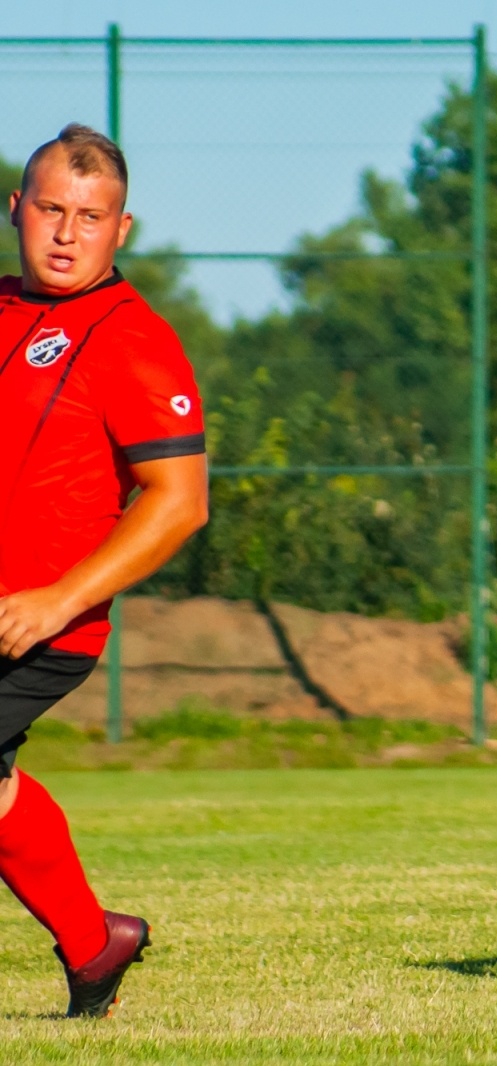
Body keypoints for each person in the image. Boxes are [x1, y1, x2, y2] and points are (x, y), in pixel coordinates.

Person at [0, 124, 209, 1017]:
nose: (66, 233)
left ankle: (95, 944)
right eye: (51, 208)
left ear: (121, 230)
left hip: (42, 624)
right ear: (16, 208)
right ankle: (95, 946)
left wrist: (58, 601)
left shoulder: (133, 339)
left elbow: (179, 502)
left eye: (91, 217)